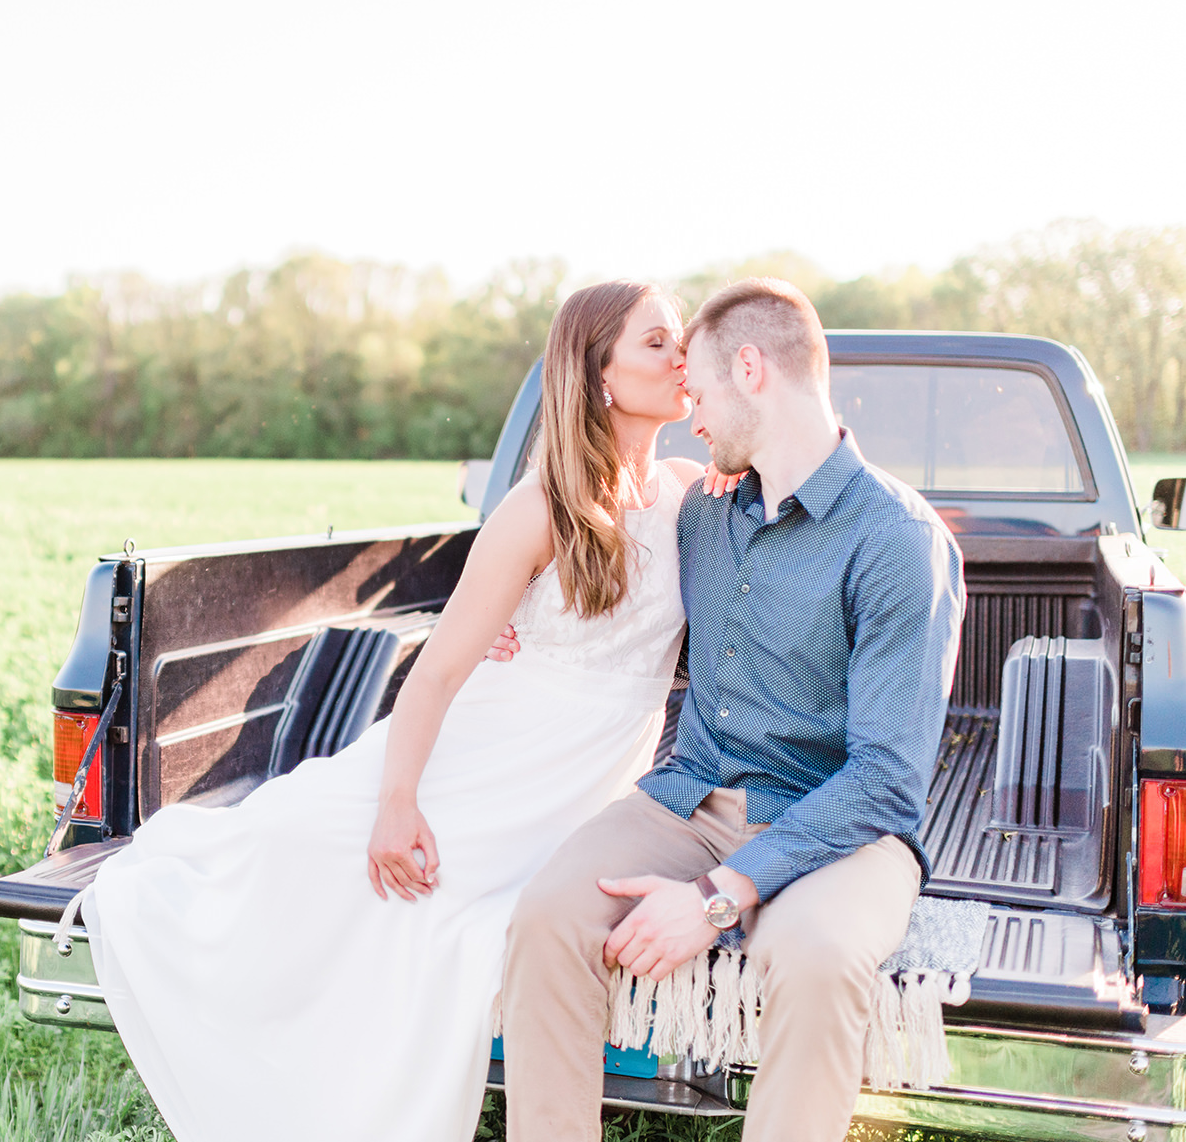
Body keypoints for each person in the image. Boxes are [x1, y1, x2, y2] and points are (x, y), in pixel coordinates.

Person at [79, 280, 727, 1142]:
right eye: (657, 342)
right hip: (485, 755)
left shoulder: (695, 490)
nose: (682, 356)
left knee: (453, 926)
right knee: (293, 856)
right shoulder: (539, 508)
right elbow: (440, 670)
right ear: (599, 373)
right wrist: (397, 804)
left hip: (578, 783)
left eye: (682, 338)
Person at [491, 277, 967, 1142]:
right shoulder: (702, 512)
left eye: (700, 392)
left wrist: (714, 898)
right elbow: (591, 554)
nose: (692, 413)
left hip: (841, 830)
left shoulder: (898, 539)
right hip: (691, 799)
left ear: (751, 369)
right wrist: (509, 628)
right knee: (550, 914)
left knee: (817, 959)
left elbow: (887, 782)